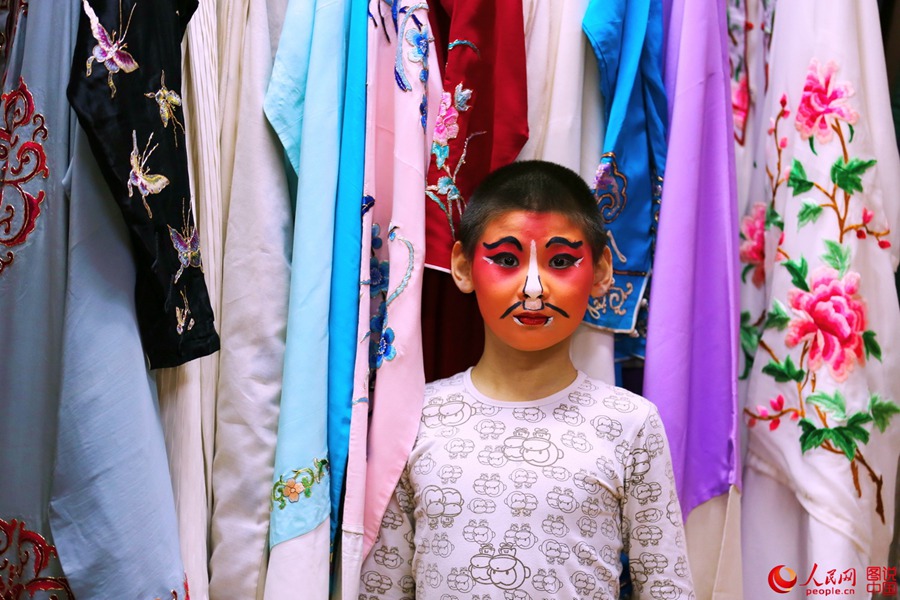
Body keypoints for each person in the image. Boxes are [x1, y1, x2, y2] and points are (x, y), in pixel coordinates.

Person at [359, 160, 695, 600]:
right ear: (462, 266)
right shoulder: (415, 415)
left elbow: (666, 587)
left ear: (599, 270)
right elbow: (383, 587)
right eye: (505, 259)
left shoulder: (630, 423)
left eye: (560, 261)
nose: (533, 288)